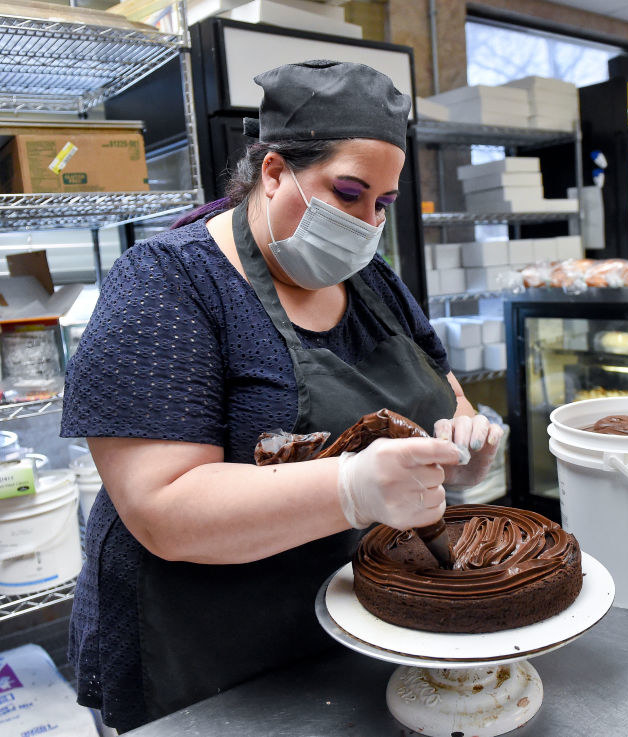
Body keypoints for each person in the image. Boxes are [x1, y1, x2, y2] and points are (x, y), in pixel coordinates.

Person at [61, 60, 503, 732]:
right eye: (349, 193)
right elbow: (161, 507)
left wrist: (465, 447)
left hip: (354, 634)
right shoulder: (167, 285)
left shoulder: (375, 285)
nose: (365, 223)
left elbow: (449, 399)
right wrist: (350, 487)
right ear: (273, 172)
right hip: (209, 664)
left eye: (382, 204)